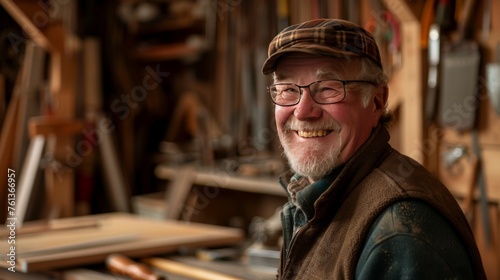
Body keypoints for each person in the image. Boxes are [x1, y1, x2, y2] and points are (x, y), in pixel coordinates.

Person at [261, 18, 486, 279]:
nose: (302, 111)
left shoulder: (400, 229)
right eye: (287, 89)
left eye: (328, 88)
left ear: (377, 101)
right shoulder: (315, 196)